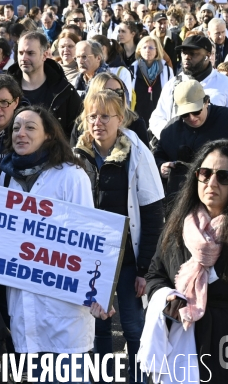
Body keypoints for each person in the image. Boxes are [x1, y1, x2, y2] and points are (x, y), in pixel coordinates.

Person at [0, 105, 99, 383]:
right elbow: (2, 234)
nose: (21, 133)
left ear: (49, 136)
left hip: (64, 311)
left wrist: (98, 291)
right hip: (22, 306)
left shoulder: (71, 175)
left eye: (30, 127)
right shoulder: (6, 176)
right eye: (17, 127)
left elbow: (87, 241)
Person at [73, 90, 165, 384]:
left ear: (120, 119)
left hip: (127, 260)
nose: (97, 122)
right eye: (92, 116)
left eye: (105, 116)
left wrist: (144, 270)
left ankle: (138, 378)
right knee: (97, 327)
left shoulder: (137, 154)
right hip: (90, 259)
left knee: (132, 326)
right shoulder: (76, 155)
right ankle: (101, 378)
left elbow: (152, 216)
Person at [145, 139, 228, 383]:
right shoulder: (178, 224)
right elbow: (155, 274)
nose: (211, 183)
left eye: (224, 176)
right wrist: (166, 297)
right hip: (177, 344)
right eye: (205, 173)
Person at [154, 80, 228, 207]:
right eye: (185, 114)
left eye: (196, 111)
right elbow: (158, 155)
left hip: (224, 201)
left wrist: (224, 160)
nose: (192, 118)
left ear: (206, 102)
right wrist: (161, 166)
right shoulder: (170, 130)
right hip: (181, 203)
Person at [149, 35, 228, 140]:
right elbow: (157, 118)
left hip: (213, 151)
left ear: (208, 55)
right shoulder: (172, 84)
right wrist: (171, 138)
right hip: (178, 152)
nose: (187, 57)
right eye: (184, 53)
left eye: (193, 53)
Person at [8, 31, 81, 138]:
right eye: (21, 53)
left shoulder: (64, 91)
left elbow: (77, 132)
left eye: (30, 53)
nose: (24, 58)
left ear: (45, 55)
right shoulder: (7, 89)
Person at [70, 72, 149, 147]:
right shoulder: (81, 124)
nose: (116, 97)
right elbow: (73, 158)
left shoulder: (135, 123)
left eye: (119, 92)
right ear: (95, 94)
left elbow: (145, 158)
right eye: (109, 93)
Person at [130, 36, 175, 130]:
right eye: (144, 47)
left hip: (160, 121)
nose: (147, 50)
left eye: (151, 47)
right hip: (137, 119)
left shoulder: (167, 70)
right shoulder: (132, 70)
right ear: (139, 50)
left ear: (157, 50)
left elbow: (172, 96)